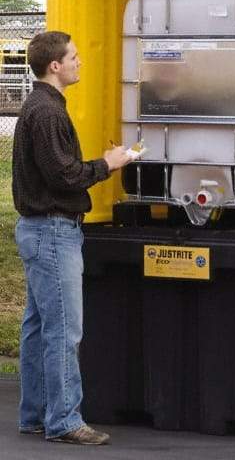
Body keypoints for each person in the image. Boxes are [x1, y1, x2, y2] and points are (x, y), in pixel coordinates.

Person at [11, 31, 131, 445]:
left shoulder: (41, 107)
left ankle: (35, 415)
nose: (80, 62)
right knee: (63, 329)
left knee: (38, 326)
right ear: (55, 66)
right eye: (74, 57)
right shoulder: (47, 113)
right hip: (53, 230)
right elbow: (62, 176)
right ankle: (64, 421)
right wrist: (107, 164)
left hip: (39, 230)